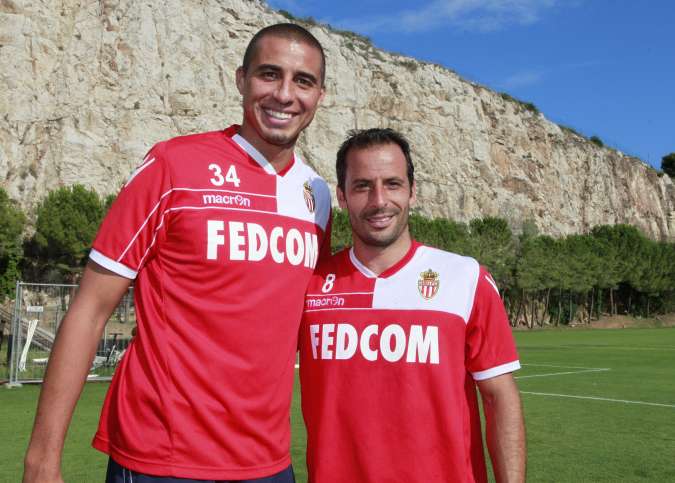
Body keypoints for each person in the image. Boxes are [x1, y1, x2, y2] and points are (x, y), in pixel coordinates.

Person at [23, 23, 331, 483]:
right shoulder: (173, 165)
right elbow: (89, 310)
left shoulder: (317, 197)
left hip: (267, 465)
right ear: (241, 79)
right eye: (270, 74)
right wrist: (41, 462)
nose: (285, 94)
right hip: (161, 459)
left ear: (319, 95)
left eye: (302, 80)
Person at [299, 128, 526, 483]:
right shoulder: (308, 285)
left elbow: (499, 397)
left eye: (392, 183)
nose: (379, 200)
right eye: (362, 186)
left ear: (412, 191)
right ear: (342, 197)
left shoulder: (465, 277)